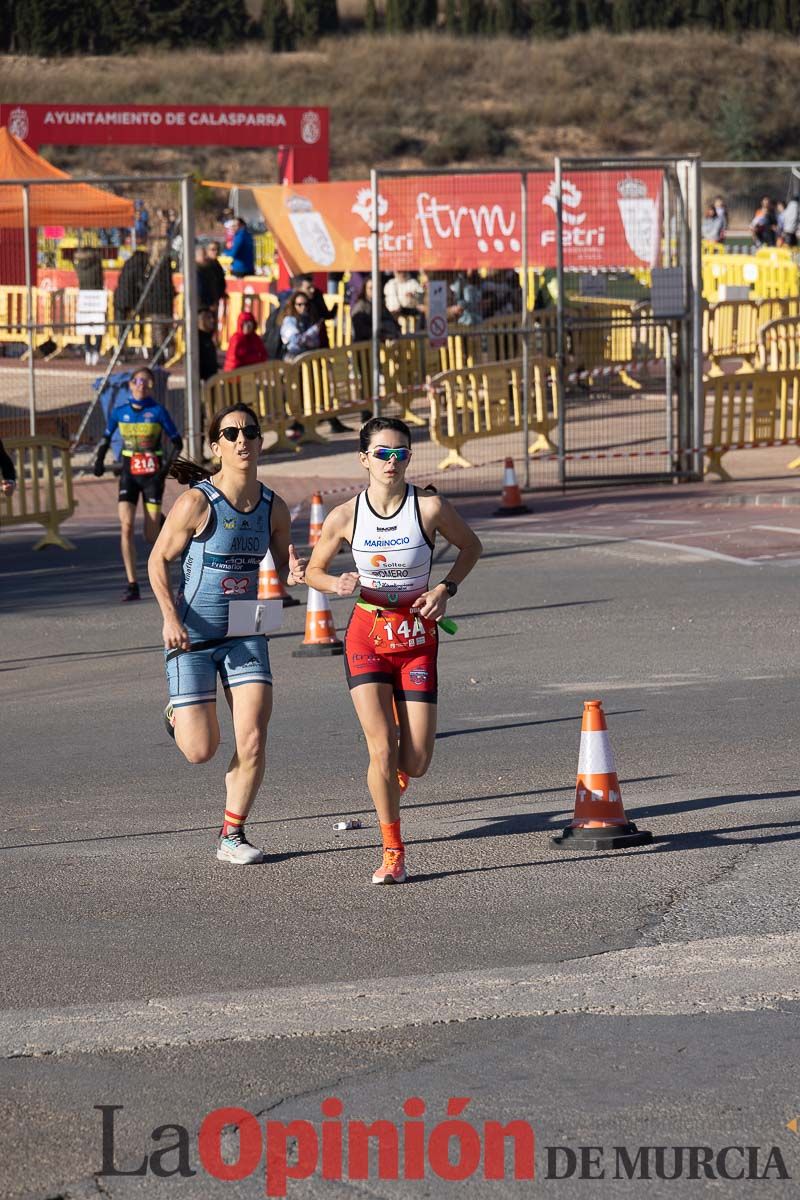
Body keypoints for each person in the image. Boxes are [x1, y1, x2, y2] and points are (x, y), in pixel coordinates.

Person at [305, 417, 482, 885]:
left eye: (400, 453)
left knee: (416, 761)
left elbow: (471, 547)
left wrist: (446, 587)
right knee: (381, 749)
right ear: (364, 459)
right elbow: (314, 571)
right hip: (367, 635)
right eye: (382, 453)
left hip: (419, 638)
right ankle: (392, 851)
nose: (392, 461)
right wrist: (336, 581)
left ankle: (397, 768)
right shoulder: (344, 516)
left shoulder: (429, 507)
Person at [147, 403, 307, 865]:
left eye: (250, 432)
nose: (242, 440)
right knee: (201, 751)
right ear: (216, 446)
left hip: (247, 626)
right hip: (191, 631)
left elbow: (285, 564)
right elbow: (158, 560)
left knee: (253, 737)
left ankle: (232, 835)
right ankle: (177, 714)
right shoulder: (197, 501)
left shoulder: (274, 507)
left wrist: (296, 571)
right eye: (231, 433)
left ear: (259, 442)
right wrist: (168, 618)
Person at [93, 367, 183, 602]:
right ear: (130, 385)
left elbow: (177, 442)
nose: (141, 384)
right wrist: (100, 459)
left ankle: (178, 547)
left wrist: (165, 469)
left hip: (153, 478)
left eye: (146, 381)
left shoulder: (157, 411)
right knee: (126, 527)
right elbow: (105, 438)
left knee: (152, 536)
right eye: (137, 381)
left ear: (151, 386)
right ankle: (132, 584)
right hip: (129, 476)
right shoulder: (119, 412)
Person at [73, 244, 104, 365]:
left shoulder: (79, 265)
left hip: (84, 297)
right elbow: (101, 279)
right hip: (97, 297)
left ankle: (87, 352)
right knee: (98, 326)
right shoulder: (97, 264)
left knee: (86, 325)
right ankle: (96, 351)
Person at [351, 278, 401, 343]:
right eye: (370, 288)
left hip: (382, 342)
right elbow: (360, 329)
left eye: (375, 287)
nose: (373, 290)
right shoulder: (360, 306)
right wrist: (381, 332)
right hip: (365, 344)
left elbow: (391, 320)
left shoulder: (379, 304)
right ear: (365, 289)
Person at [278, 290, 324, 359]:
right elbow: (296, 340)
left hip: (310, 356)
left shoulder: (310, 319)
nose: (303, 307)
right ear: (293, 305)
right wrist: (313, 332)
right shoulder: (289, 320)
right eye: (299, 304)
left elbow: (315, 342)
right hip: (294, 357)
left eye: (306, 304)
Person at [198, 307, 221, 382]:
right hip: (203, 384)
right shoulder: (198, 340)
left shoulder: (209, 338)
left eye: (212, 317)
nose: (212, 320)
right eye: (208, 318)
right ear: (201, 321)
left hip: (212, 381)